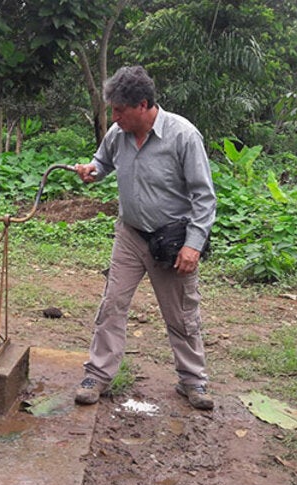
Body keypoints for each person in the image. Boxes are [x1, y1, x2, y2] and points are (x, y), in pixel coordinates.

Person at [73, 66, 217, 410]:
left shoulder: (183, 136)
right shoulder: (118, 133)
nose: (114, 116)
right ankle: (98, 375)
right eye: (113, 110)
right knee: (112, 305)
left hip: (171, 241)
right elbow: (103, 161)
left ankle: (193, 381)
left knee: (181, 314)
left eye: (120, 110)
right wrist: (93, 170)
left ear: (143, 104)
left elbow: (204, 196)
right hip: (129, 235)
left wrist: (193, 245)